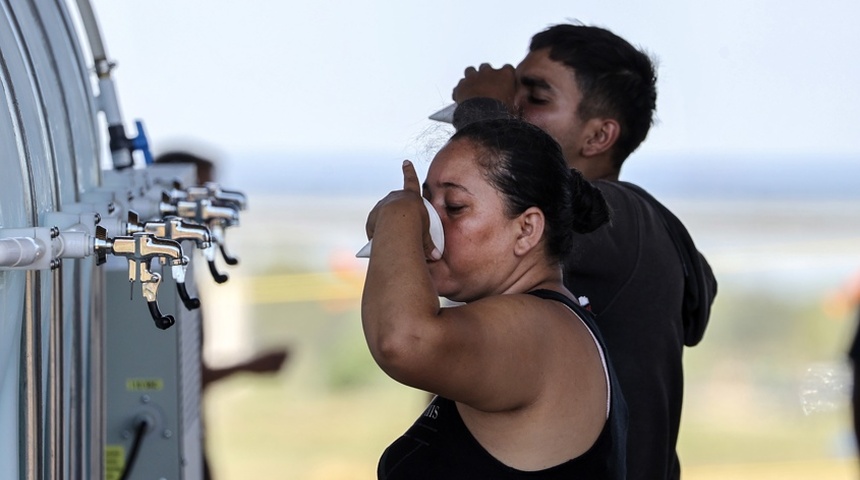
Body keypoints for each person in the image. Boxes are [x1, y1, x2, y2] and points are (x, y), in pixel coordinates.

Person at [449, 23, 718, 480]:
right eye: (515, 94)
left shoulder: (625, 218)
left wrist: (485, 114)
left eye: (535, 98)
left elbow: (506, 191)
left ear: (598, 137)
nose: (516, 108)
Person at [361, 118, 626, 479]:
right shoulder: (539, 322)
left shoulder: (539, 329)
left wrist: (398, 213)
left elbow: (404, 341)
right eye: (426, 204)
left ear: (527, 230)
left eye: (453, 207)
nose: (428, 225)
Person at [154, 151, 290, 480]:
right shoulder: (155, 277)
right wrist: (251, 366)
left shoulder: (180, 271)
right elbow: (174, 378)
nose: (212, 208)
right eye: (202, 191)